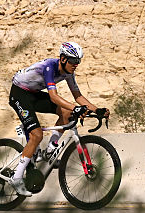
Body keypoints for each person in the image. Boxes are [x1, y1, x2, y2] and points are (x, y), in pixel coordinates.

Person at [7, 42, 107, 196]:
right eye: (73, 61)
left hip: (34, 94)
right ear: (63, 59)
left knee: (66, 113)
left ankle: (51, 147)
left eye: (78, 61)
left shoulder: (68, 73)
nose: (76, 65)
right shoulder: (49, 66)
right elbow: (53, 97)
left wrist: (97, 109)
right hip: (19, 93)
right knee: (37, 135)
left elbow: (78, 96)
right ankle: (16, 177)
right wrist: (75, 108)